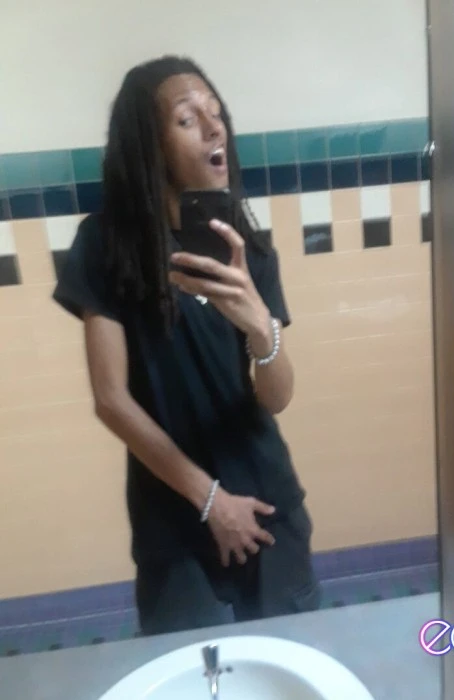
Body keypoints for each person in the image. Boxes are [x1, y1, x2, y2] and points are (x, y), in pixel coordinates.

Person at [53, 55, 321, 636]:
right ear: (149, 147)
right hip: (172, 519)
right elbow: (111, 399)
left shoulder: (247, 251)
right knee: (185, 667)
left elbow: (275, 397)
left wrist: (260, 326)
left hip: (267, 502)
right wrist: (211, 502)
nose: (213, 125)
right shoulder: (105, 246)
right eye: (186, 118)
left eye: (215, 111)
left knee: (286, 660)